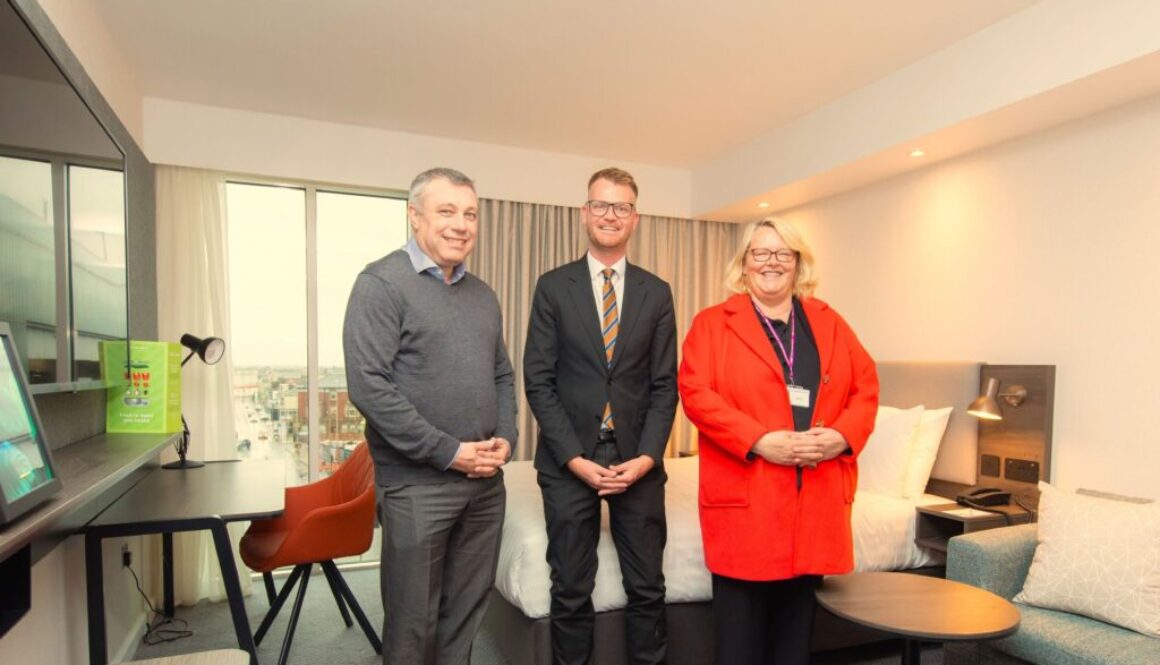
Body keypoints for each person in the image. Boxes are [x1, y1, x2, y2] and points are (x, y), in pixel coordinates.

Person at [677, 217, 878, 665]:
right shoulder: (712, 324)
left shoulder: (829, 322)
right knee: (740, 644)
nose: (772, 263)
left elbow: (866, 386)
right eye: (760, 253)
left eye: (782, 253)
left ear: (798, 262)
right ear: (744, 264)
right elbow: (696, 394)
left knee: (794, 643)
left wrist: (841, 437)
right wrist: (759, 439)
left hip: (813, 500)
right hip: (748, 498)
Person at [343, 167, 517, 665]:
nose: (461, 225)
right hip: (418, 487)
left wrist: (505, 437)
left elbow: (501, 375)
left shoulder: (482, 295)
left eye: (470, 214)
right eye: (447, 212)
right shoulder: (381, 284)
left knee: (465, 614)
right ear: (415, 216)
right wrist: (450, 453)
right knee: (412, 623)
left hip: (485, 483)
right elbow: (368, 387)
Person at [524, 167, 678, 665]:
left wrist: (648, 457)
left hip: (636, 459)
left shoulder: (657, 292)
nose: (611, 215)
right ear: (584, 212)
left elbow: (663, 385)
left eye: (622, 207)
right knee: (570, 587)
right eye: (601, 205)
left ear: (635, 218)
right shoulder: (552, 287)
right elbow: (538, 380)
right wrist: (572, 457)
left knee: (648, 588)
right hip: (570, 460)